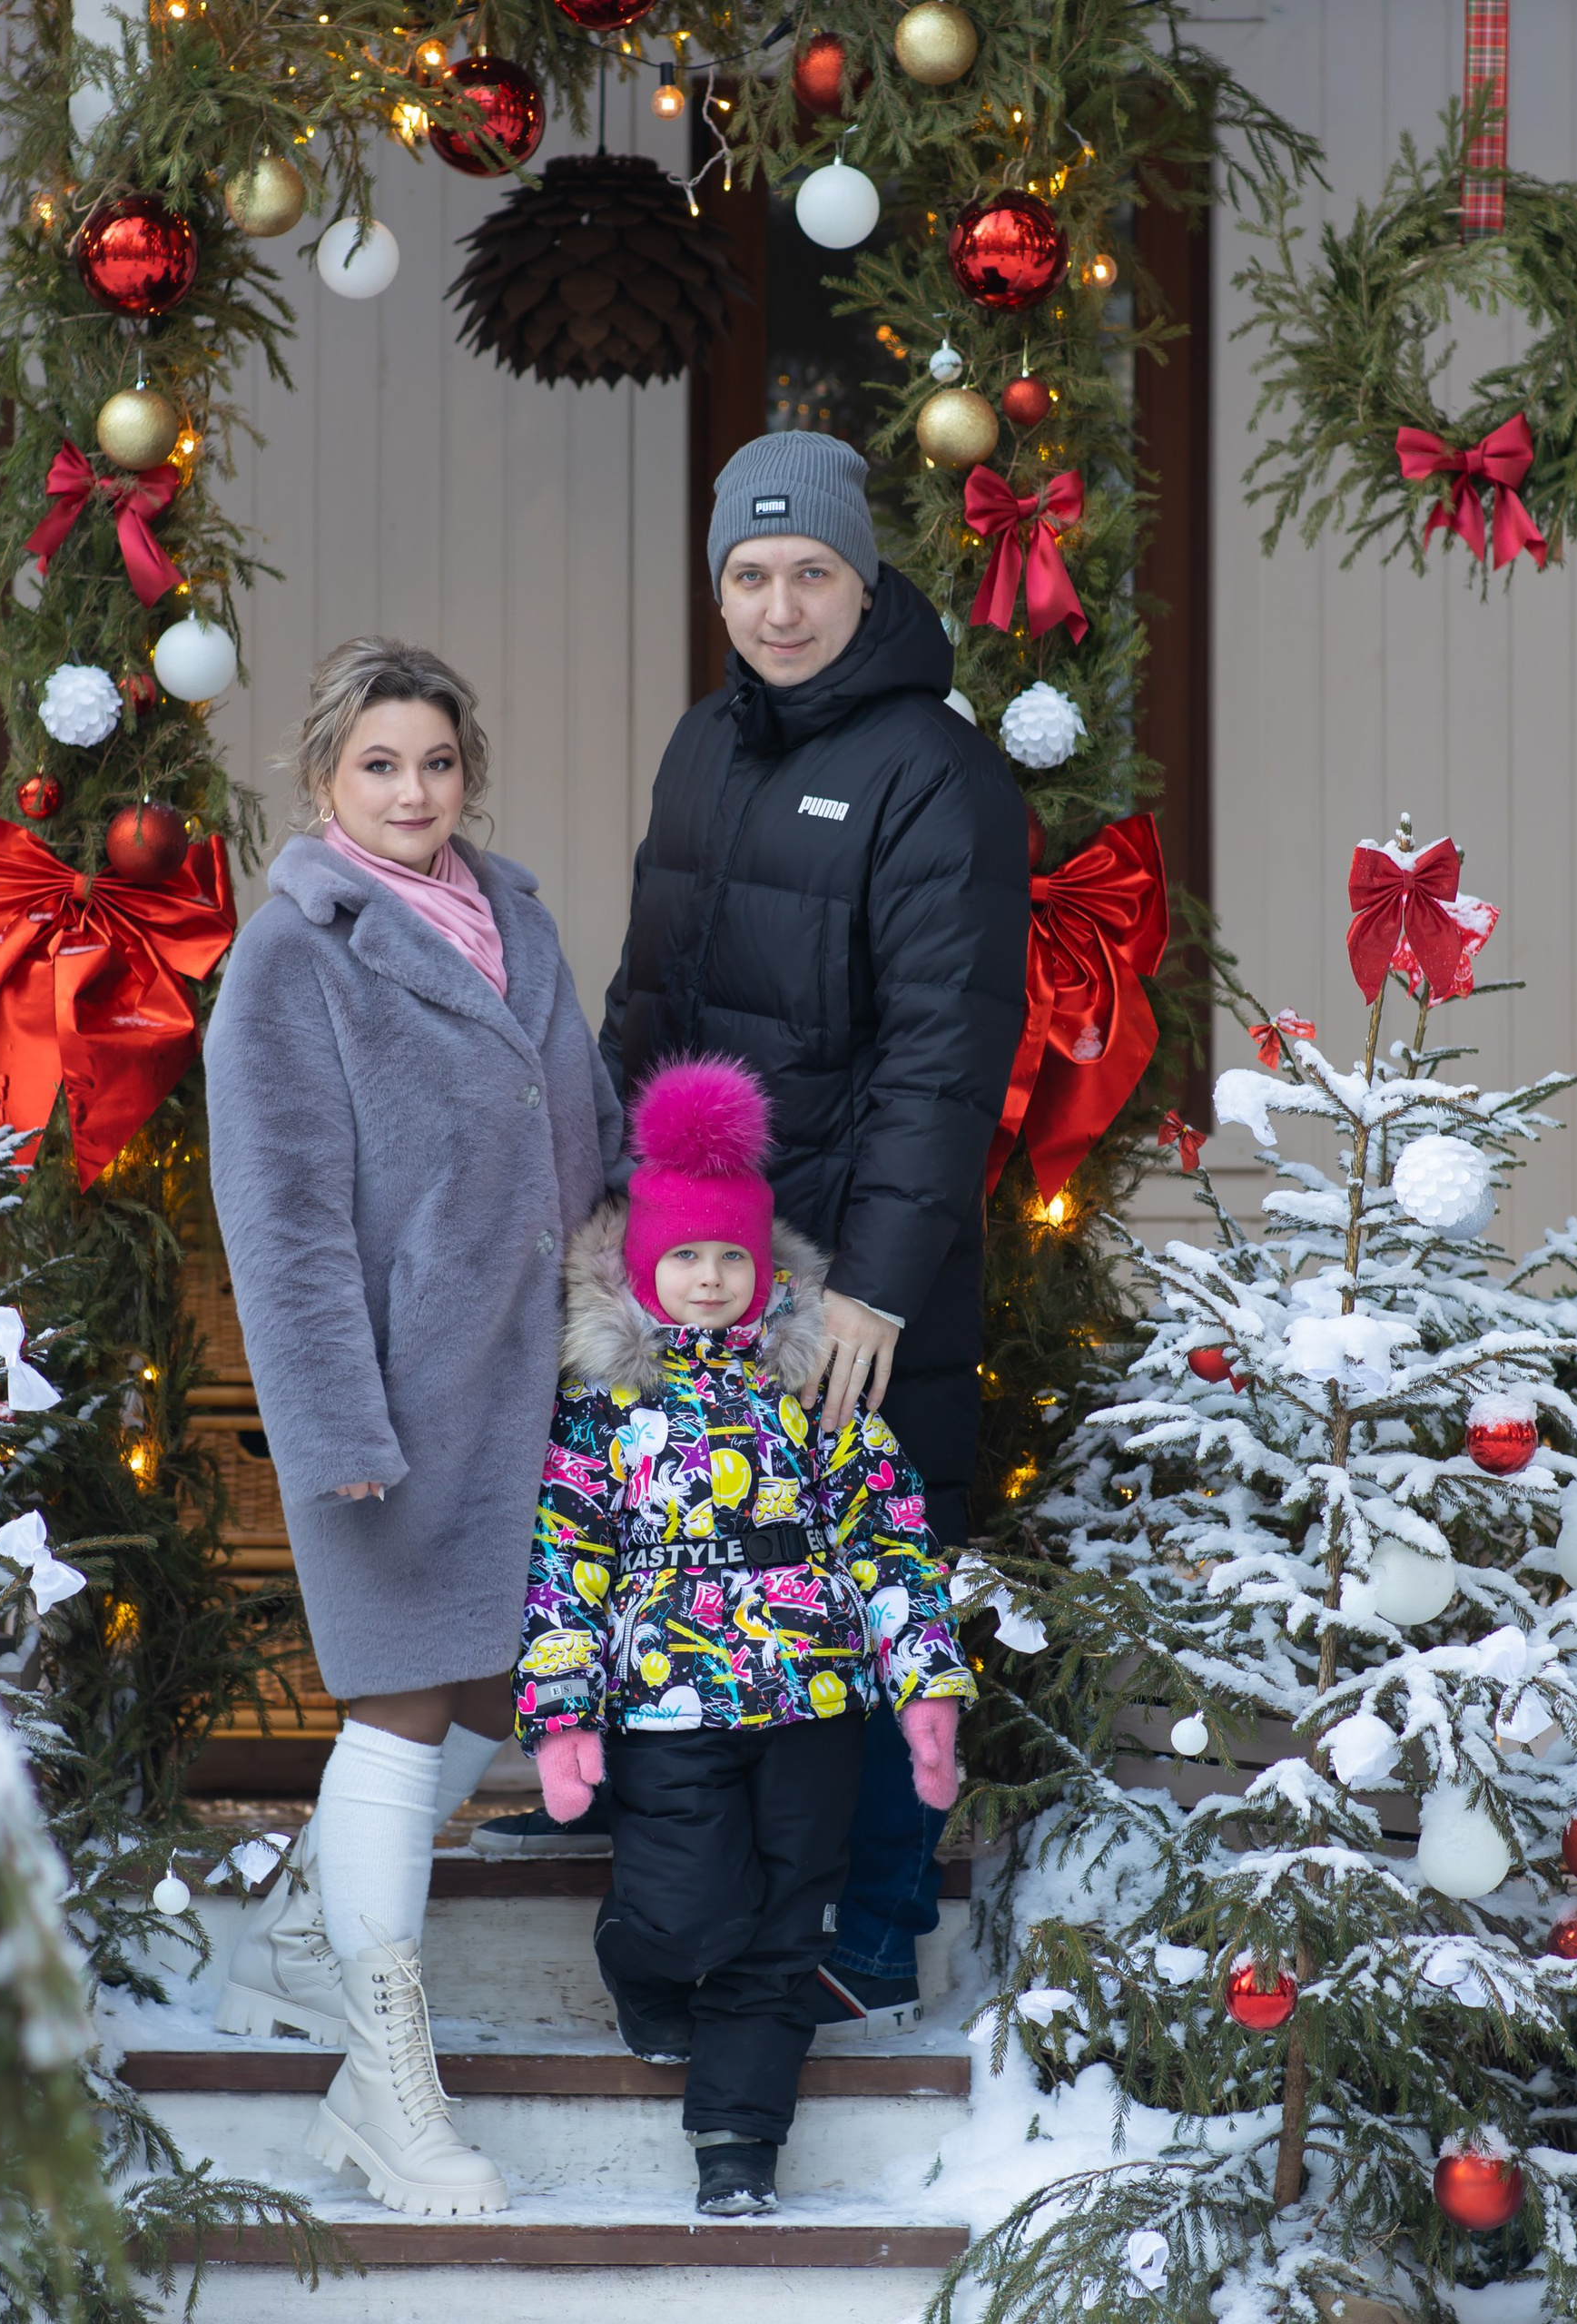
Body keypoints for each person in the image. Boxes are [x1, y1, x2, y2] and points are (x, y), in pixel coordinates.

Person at [483, 432, 1029, 2038]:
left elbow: (950, 1042)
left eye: (812, 575)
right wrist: (610, 1219)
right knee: (681, 1559)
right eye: (749, 574)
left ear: (866, 580)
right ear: (716, 584)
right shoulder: (705, 746)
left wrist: (876, 1283)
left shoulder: (938, 771)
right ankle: (678, 1871)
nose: (780, 607)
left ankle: (869, 1918)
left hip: (849, 1276)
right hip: (691, 1267)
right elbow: (654, 999)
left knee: (851, 1579)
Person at [204, 637, 623, 2217]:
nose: (411, 791)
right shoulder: (289, 961)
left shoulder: (515, 916)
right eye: (378, 765)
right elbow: (285, 1217)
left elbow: (575, 1125)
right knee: (396, 1703)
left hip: (536, 1375)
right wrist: (331, 1419)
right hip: (388, 1393)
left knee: (506, 1683)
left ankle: (308, 1940)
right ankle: (381, 2084)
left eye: (436, 762)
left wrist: (621, 1330)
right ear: (324, 783)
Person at [517, 1056, 975, 2214]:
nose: (711, 1278)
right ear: (642, 1269)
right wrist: (561, 1716)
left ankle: (736, 2147)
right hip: (666, 1701)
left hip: (813, 1698)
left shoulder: (815, 1388)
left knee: (783, 1925)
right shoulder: (605, 1412)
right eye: (686, 1257)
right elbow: (565, 1569)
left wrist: (922, 1686)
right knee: (687, 1907)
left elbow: (887, 1539)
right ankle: (642, 1962)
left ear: (765, 1268)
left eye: (732, 1257)